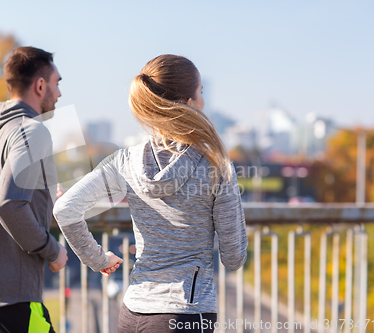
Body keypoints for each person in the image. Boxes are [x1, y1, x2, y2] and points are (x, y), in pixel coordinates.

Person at [53, 54, 248, 333]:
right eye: (200, 92)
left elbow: (65, 209)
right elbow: (234, 257)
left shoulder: (125, 161)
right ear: (189, 103)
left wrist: (98, 260)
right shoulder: (215, 164)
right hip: (185, 315)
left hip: (132, 314)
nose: (203, 101)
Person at [0, 46, 68, 333]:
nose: (59, 93)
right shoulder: (33, 130)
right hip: (11, 298)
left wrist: (47, 196)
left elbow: (2, 193)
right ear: (40, 85)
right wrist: (52, 250)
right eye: (57, 83)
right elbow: (8, 203)